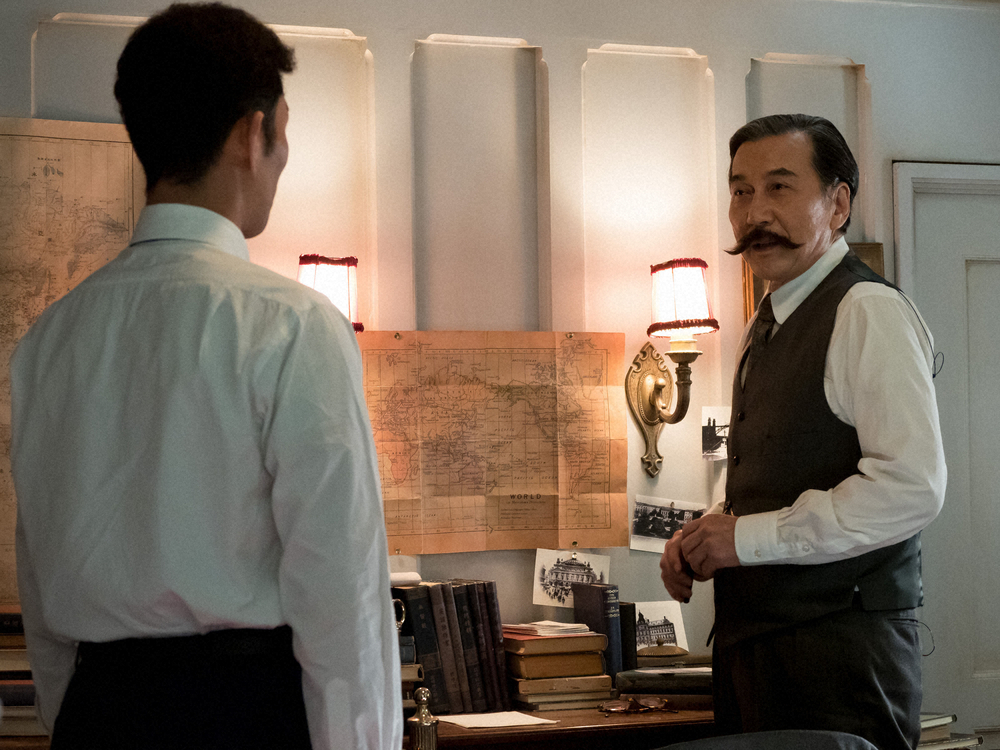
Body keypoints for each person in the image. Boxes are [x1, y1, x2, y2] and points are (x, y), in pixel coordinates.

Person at [10, 4, 401, 749]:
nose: (283, 156)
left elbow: (40, 583)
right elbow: (340, 596)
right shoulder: (292, 324)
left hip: (98, 714)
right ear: (253, 134)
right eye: (284, 131)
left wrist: (76, 719)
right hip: (243, 716)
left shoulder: (48, 341)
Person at [659, 114, 946, 750]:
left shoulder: (868, 310)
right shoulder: (765, 319)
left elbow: (912, 487)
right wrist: (709, 535)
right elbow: (786, 473)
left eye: (779, 187)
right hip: (754, 653)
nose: (754, 213)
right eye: (740, 191)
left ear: (838, 204)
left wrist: (745, 539)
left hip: (840, 660)